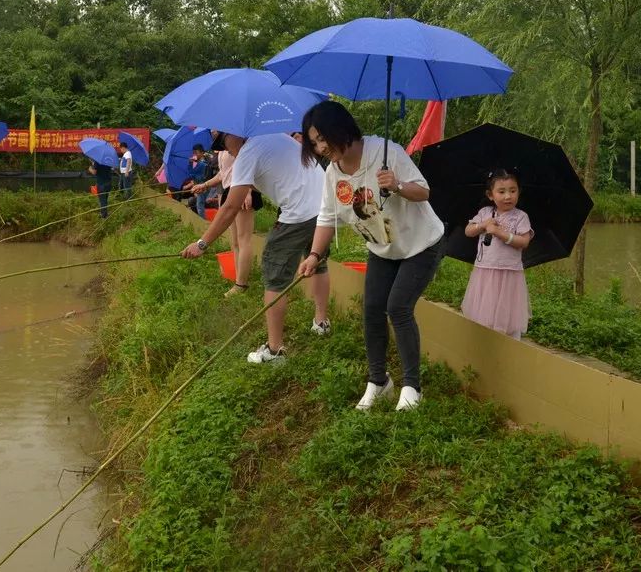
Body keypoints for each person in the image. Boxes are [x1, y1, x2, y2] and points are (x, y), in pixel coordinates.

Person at [298, 100, 444, 411]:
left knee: (398, 307)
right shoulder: (331, 173)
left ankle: (411, 388)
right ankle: (379, 382)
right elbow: (326, 217)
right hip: (382, 247)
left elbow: (424, 191)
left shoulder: (386, 152)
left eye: (323, 138)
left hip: (421, 243)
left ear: (342, 129)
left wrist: (398, 184)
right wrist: (313, 255)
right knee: (373, 309)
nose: (321, 147)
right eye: (314, 143)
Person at [181, 131, 331, 364]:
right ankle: (321, 323)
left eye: (223, 142)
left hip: (299, 213)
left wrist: (202, 244)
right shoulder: (277, 136)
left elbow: (230, 208)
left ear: (235, 134)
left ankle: (274, 350)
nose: (224, 149)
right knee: (318, 261)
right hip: (324, 206)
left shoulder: (247, 153)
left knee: (274, 276)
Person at [461, 169, 533, 339]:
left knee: (508, 312)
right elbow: (468, 231)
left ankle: (510, 342)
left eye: (513, 191)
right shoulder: (485, 213)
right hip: (485, 271)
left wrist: (500, 233)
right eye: (502, 192)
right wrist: (483, 225)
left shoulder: (520, 217)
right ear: (490, 194)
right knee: (485, 310)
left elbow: (524, 242)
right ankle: (486, 341)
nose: (508, 196)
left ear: (518, 192)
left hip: (510, 272)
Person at [192, 142, 263, 297]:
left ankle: (241, 284)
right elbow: (223, 174)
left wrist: (249, 192)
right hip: (229, 191)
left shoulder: (240, 143)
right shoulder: (224, 150)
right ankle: (238, 280)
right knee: (235, 241)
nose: (213, 131)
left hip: (242, 191)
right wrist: (205, 184)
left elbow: (250, 168)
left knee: (244, 239)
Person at [189, 144, 209, 218]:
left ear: (202, 153)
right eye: (193, 153)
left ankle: (203, 221)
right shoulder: (197, 162)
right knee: (199, 204)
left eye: (196, 153)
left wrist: (191, 164)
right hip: (199, 185)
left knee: (200, 205)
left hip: (204, 186)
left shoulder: (203, 164)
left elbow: (195, 175)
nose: (194, 155)